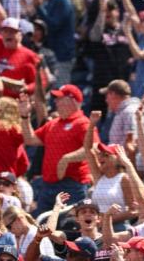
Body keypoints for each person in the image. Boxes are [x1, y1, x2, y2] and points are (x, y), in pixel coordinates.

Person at [19, 85, 96, 214]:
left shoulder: (83, 123)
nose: (56, 102)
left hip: (72, 185)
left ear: (72, 100)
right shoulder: (53, 123)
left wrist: (67, 159)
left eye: (60, 98)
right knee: (43, 227)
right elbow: (29, 139)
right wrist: (24, 116)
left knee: (69, 227)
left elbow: (92, 149)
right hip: (48, 184)